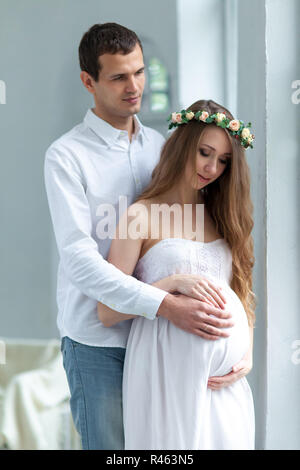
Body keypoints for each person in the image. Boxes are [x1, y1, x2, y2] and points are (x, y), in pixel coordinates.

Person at [44, 21, 248, 450]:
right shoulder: (67, 156)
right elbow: (80, 258)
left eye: (139, 72)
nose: (133, 86)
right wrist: (166, 301)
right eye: (118, 77)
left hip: (163, 347)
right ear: (89, 81)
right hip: (98, 339)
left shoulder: (160, 146)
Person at [97, 99, 256, 450]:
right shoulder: (141, 216)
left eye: (224, 161)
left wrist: (246, 353)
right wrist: (170, 285)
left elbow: (242, 293)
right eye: (204, 152)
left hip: (223, 387)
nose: (212, 167)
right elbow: (107, 311)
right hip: (164, 375)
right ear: (184, 145)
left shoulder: (222, 216)